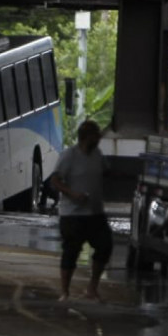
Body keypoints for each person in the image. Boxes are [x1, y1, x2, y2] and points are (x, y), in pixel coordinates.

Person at [49, 119, 114, 302]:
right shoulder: (69, 155)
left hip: (95, 213)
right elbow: (55, 180)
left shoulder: (97, 155)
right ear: (86, 137)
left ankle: (92, 288)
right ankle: (65, 291)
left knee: (105, 246)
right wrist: (73, 194)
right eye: (96, 136)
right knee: (71, 251)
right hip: (72, 215)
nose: (99, 139)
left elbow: (106, 171)